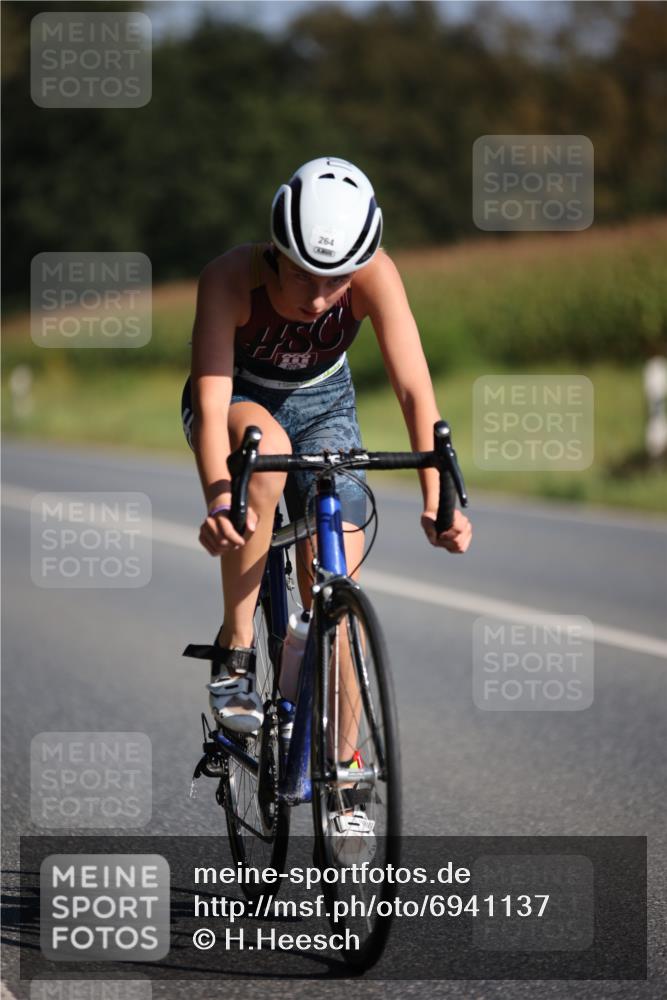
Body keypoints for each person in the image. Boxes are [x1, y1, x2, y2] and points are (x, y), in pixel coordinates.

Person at [181, 156, 472, 834]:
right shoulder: (228, 279)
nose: (318, 297)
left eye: (334, 279)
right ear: (275, 252)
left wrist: (439, 496)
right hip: (239, 404)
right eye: (303, 275)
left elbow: (412, 389)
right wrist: (222, 501)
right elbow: (213, 395)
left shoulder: (376, 273)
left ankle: (343, 767)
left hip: (325, 405)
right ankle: (236, 647)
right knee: (271, 456)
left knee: (334, 580)